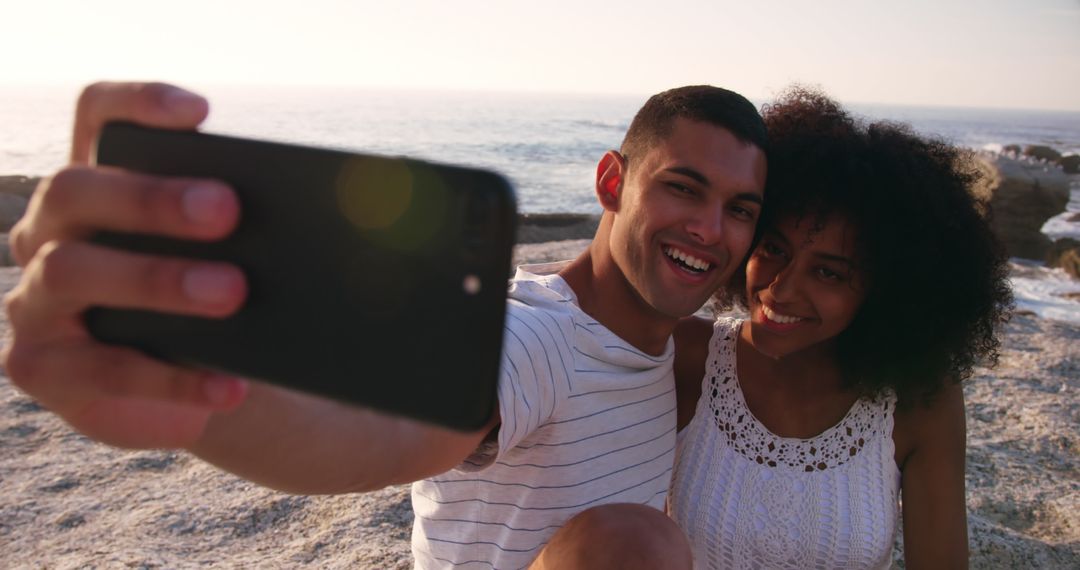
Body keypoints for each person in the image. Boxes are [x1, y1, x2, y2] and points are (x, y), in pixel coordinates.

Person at [2, 82, 769, 569]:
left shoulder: (677, 352)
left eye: (739, 210)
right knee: (637, 545)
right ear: (611, 183)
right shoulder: (539, 339)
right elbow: (397, 430)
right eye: (682, 188)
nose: (709, 228)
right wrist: (209, 404)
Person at [668, 87, 1012, 569]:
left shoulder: (918, 402)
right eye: (774, 249)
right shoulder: (687, 356)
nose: (781, 290)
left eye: (829, 272)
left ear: (887, 290)